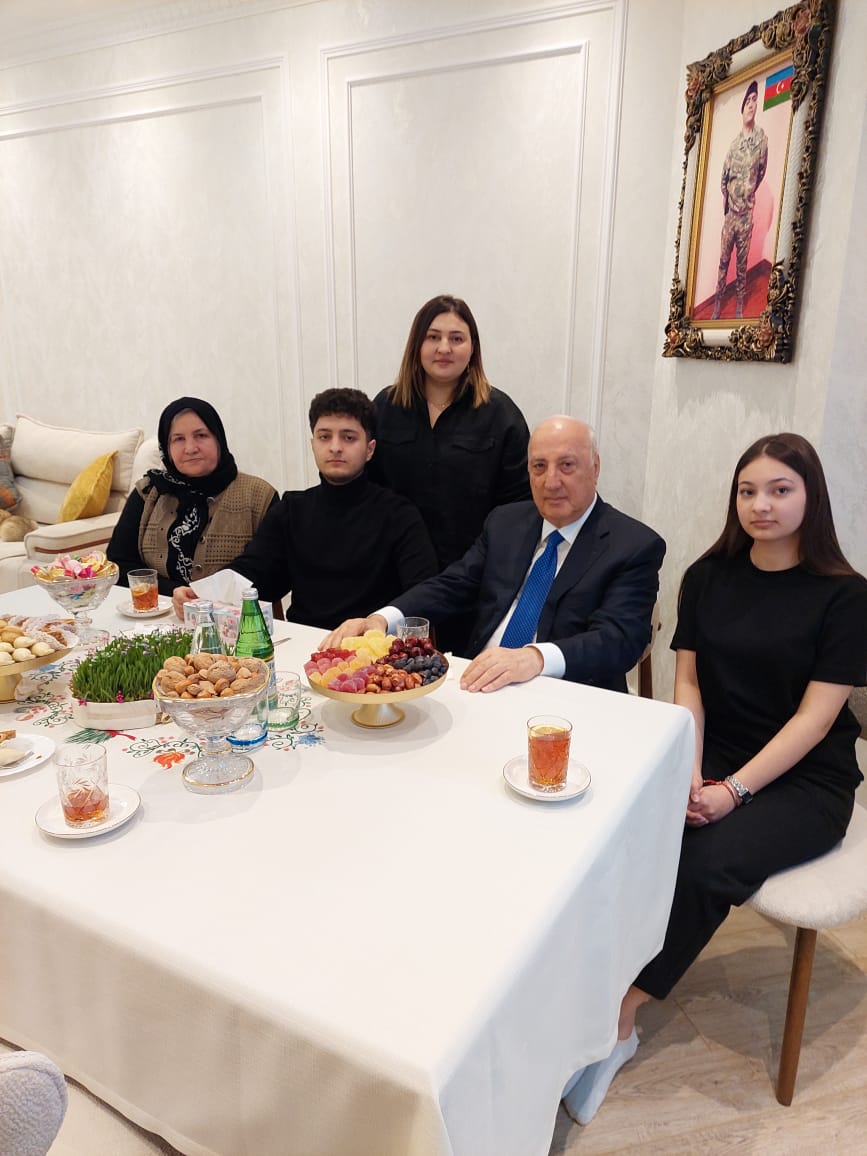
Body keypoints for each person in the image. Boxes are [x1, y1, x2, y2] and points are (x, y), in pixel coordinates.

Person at [562, 433, 867, 1126]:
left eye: (780, 490)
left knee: (703, 862)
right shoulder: (707, 575)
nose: (761, 504)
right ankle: (584, 980)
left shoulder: (845, 596)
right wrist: (689, 767)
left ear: (811, 497)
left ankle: (618, 1020)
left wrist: (733, 791)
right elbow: (690, 685)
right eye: (747, 491)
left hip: (806, 778)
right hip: (713, 750)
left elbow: (815, 720)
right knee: (612, 826)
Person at [323, 416, 665, 694]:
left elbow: (618, 640)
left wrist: (535, 658)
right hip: (479, 685)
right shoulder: (506, 522)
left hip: (568, 699)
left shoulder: (633, 545)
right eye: (539, 466)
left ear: (595, 467)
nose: (551, 482)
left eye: (567, 465)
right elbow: (453, 584)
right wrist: (382, 620)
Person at [171, 389, 438, 629]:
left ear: (369, 449)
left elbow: (422, 593)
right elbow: (254, 572)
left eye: (348, 438)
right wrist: (201, 594)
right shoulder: (291, 509)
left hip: (374, 649)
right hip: (304, 645)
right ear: (313, 444)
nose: (335, 447)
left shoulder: (399, 514)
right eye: (324, 437)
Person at [368, 294, 531, 650]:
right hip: (393, 579)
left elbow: (518, 509)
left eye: (456, 338)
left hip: (472, 581)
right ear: (417, 345)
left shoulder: (501, 415)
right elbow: (368, 492)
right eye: (433, 337)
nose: (444, 348)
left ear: (473, 349)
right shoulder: (385, 407)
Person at [107, 397, 277, 596]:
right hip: (159, 610)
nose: (190, 448)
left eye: (201, 435)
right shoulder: (148, 491)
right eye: (178, 439)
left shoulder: (259, 496)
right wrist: (173, 592)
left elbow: (270, 573)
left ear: (219, 439)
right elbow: (119, 565)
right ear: (167, 448)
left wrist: (207, 600)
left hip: (233, 611)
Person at [710, 79, 768, 320]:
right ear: (742, 108)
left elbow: (761, 173)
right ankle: (717, 303)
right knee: (723, 262)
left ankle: (739, 306)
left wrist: (747, 195)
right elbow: (723, 181)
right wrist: (730, 205)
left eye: (755, 100)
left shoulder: (761, 141)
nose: (751, 105)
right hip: (731, 217)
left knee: (742, 267)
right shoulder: (734, 147)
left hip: (746, 219)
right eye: (748, 101)